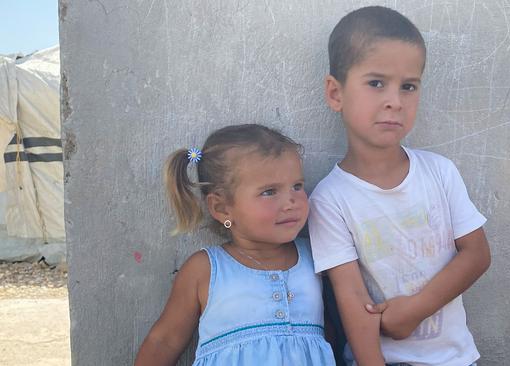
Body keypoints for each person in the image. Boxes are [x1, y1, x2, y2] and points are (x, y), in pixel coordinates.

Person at [308, 6, 491, 366]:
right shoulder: (330, 200)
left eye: (409, 87)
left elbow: (477, 254)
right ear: (335, 93)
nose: (395, 100)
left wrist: (415, 309)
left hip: (457, 359)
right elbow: (351, 298)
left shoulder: (439, 172)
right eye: (376, 83)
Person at [135, 124, 336, 365]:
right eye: (270, 191)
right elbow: (164, 340)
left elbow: (329, 336)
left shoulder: (315, 256)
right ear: (221, 208)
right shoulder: (206, 269)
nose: (291, 202)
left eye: (297, 186)